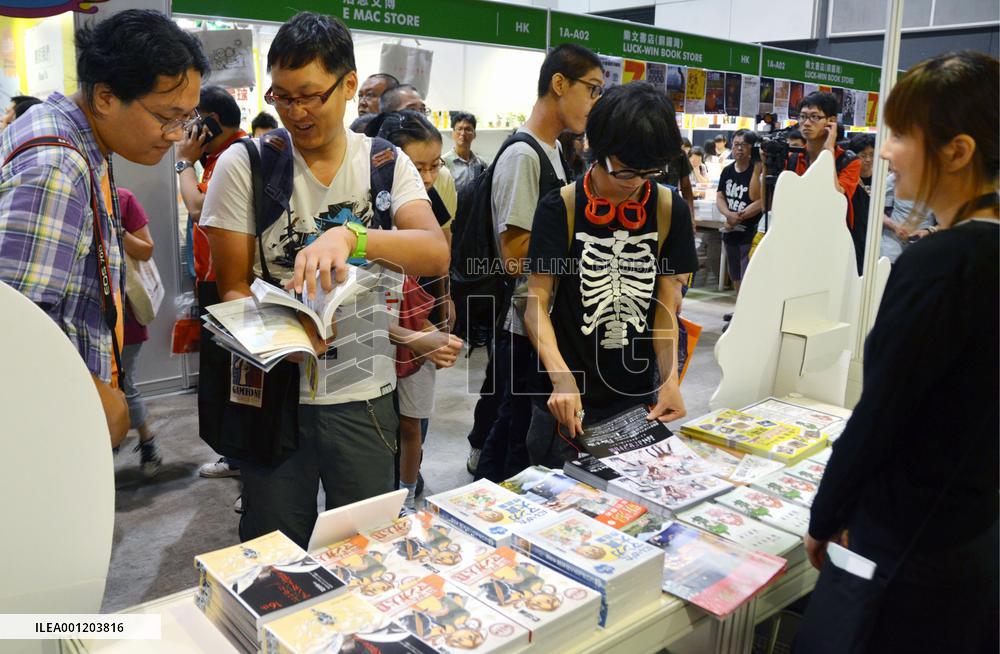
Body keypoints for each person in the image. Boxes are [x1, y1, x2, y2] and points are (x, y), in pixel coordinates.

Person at [200, 12, 448, 548]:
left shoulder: (384, 161)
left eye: (311, 95)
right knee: (275, 547)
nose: (297, 112)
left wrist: (352, 238)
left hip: (363, 392)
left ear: (349, 85)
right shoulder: (246, 164)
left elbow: (434, 252)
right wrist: (284, 339)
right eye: (282, 97)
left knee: (365, 546)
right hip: (274, 394)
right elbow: (232, 287)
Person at [796, 52, 998, 654]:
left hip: (907, 548)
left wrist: (825, 516)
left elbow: (882, 413)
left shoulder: (940, 264)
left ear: (957, 151)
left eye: (903, 136)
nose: (885, 152)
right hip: (973, 536)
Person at [0, 9, 206, 448]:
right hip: (46, 429)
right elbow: (12, 331)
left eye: (186, 118)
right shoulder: (56, 168)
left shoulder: (69, 139)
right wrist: (95, 396)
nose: (176, 135)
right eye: (167, 116)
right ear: (106, 97)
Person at [523, 81, 697, 467]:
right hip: (566, 395)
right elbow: (535, 302)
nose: (636, 182)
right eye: (625, 170)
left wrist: (669, 380)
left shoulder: (670, 209)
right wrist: (560, 376)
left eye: (649, 171)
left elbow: (666, 306)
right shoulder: (561, 208)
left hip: (635, 397)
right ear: (596, 148)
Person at [474, 43, 603, 483]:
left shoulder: (551, 152)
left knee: (512, 429)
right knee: (518, 440)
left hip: (541, 320)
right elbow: (514, 258)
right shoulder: (524, 155)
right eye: (591, 88)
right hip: (523, 324)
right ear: (559, 83)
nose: (594, 101)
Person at [369, 110, 463, 512]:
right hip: (376, 327)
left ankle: (406, 492)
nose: (426, 177)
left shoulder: (430, 199)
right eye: (417, 166)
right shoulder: (370, 200)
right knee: (376, 422)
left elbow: (442, 254)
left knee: (413, 421)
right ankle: (382, 493)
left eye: (434, 166)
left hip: (422, 321)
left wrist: (445, 299)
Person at [174, 86, 250, 480]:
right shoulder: (221, 157)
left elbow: (198, 207)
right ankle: (237, 457)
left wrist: (183, 162)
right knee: (224, 376)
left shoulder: (235, 156)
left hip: (232, 282)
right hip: (217, 279)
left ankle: (246, 465)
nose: (185, 127)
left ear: (212, 121)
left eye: (191, 118)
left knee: (238, 376)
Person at [750, 92, 861, 238]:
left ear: (831, 121)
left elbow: (835, 200)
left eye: (815, 117)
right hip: (795, 236)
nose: (807, 123)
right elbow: (767, 207)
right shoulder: (793, 159)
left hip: (829, 239)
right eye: (802, 116)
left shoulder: (848, 161)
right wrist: (766, 166)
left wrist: (828, 150)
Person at [117, 187, 162, 476]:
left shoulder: (122, 199)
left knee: (124, 384)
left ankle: (147, 441)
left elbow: (146, 250)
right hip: (83, 311)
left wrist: (116, 230)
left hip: (126, 312)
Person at [716, 129, 762, 294]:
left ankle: (745, 306)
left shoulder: (757, 170)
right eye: (736, 145)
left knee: (747, 273)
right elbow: (720, 196)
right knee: (734, 272)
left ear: (752, 148)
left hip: (750, 232)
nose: (739, 149)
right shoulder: (727, 171)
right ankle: (737, 303)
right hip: (730, 231)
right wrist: (729, 215)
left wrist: (739, 217)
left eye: (744, 145)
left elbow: (762, 201)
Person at [880, 169, 935, 263]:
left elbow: (950, 221)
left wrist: (929, 231)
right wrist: (894, 226)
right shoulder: (894, 178)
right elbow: (876, 210)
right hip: (892, 245)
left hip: (924, 245)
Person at [443, 111, 488, 205]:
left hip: (475, 212)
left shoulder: (481, 163)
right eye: (459, 129)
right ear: (453, 133)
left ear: (474, 134)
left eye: (468, 129)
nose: (463, 133)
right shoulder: (444, 163)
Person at [847, 133, 875, 274]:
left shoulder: (883, 178)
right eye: (863, 155)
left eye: (872, 155)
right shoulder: (849, 180)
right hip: (854, 235)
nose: (868, 159)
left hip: (876, 235)